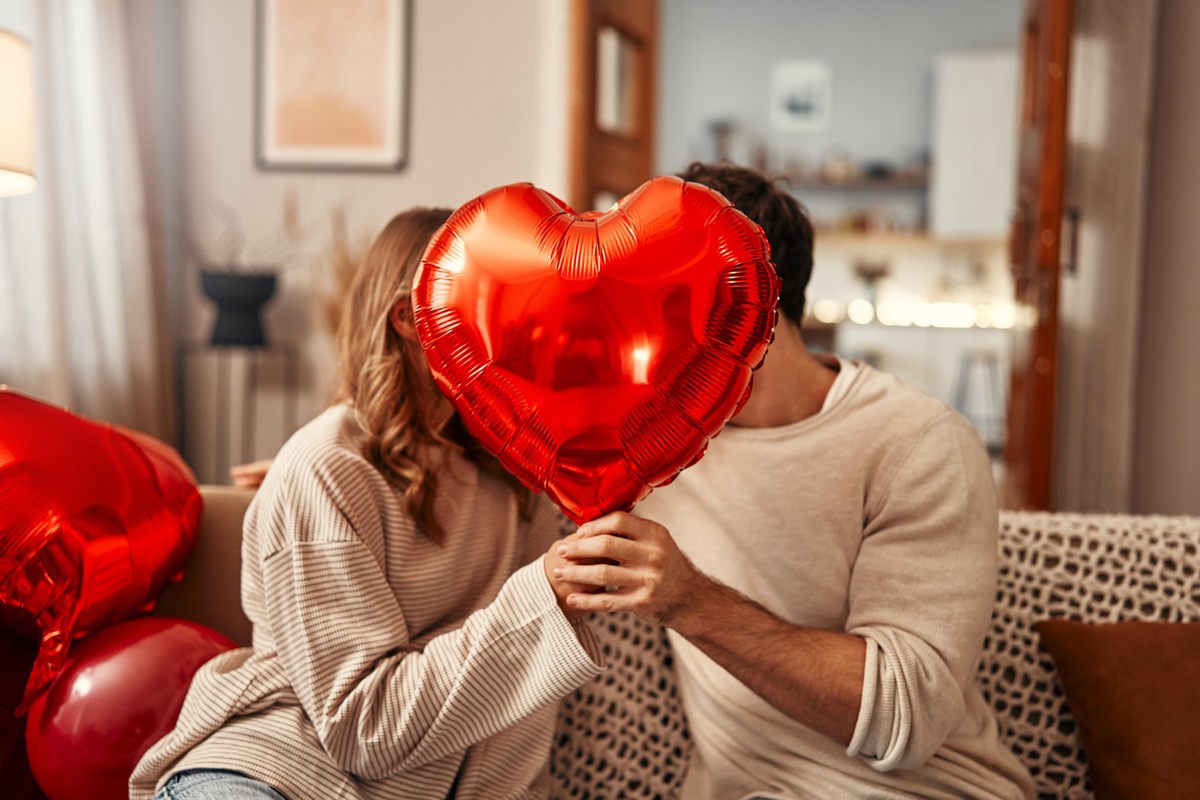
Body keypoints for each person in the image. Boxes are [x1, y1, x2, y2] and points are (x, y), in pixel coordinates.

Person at [553, 162, 1036, 799]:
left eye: (664, 295)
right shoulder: (641, 442)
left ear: (752, 297)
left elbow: (905, 714)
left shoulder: (919, 441)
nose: (639, 327)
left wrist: (690, 601)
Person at [130, 207, 605, 800]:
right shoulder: (326, 467)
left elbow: (515, 713)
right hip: (276, 771)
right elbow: (363, 726)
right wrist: (543, 599)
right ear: (410, 317)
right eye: (494, 297)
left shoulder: (513, 486)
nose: (521, 323)